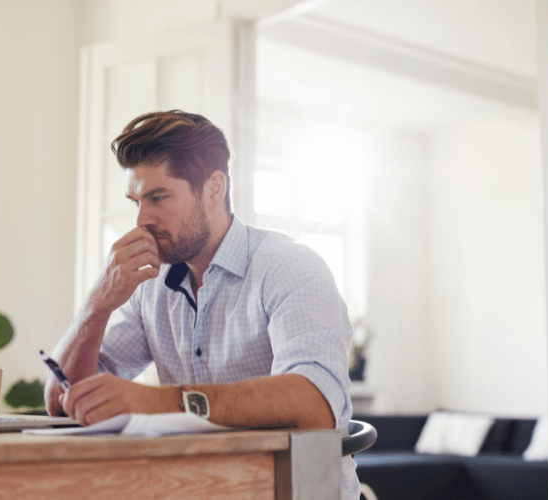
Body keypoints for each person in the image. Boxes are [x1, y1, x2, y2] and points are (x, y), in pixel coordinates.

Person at [45, 110, 359, 498]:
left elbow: (314, 403)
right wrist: (97, 305)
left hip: (293, 489)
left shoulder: (290, 268)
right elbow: (63, 399)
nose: (142, 219)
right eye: (136, 201)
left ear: (213, 189)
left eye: (158, 197)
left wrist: (160, 402)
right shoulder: (151, 285)